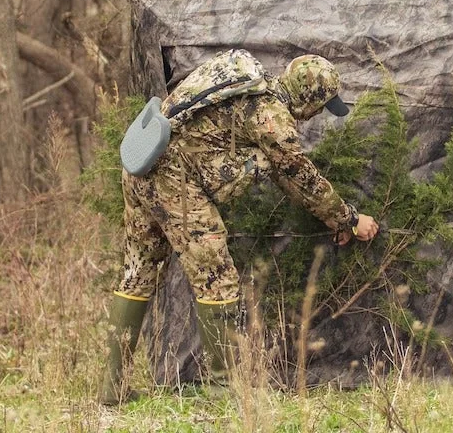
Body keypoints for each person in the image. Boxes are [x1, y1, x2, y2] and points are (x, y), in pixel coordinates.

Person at [98, 53, 380, 405]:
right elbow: (300, 177)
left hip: (143, 160)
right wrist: (350, 219)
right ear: (308, 99)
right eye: (321, 106)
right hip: (172, 179)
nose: (318, 114)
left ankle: (112, 389)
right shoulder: (269, 116)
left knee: (138, 272)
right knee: (217, 278)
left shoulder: (244, 75)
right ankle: (222, 388)